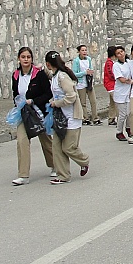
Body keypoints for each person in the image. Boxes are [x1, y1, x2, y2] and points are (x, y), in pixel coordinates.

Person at [10, 46, 55, 186]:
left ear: (32, 59)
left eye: (28, 57)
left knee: (46, 140)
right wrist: (18, 104)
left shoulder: (39, 74)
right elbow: (15, 93)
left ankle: (55, 165)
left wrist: (34, 101)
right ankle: (23, 175)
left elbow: (48, 93)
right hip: (24, 113)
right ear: (19, 58)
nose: (26, 60)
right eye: (23, 57)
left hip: (39, 112)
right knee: (22, 141)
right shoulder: (15, 75)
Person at [45, 51, 90, 184]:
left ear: (48, 64)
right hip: (60, 118)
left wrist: (56, 103)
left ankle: (84, 160)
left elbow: (71, 96)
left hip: (72, 117)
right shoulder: (55, 75)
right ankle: (63, 175)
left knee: (69, 147)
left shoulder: (63, 77)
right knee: (57, 147)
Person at [111, 46, 133, 141]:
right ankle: (119, 131)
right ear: (116, 56)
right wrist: (130, 81)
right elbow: (120, 79)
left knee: (130, 113)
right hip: (120, 93)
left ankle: (128, 128)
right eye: (118, 53)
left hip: (129, 92)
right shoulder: (116, 65)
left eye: (122, 52)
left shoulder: (129, 63)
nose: (121, 54)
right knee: (122, 114)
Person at [72, 45, 99, 125]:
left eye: (85, 50)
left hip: (89, 82)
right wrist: (84, 73)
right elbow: (74, 74)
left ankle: (95, 117)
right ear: (79, 52)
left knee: (93, 101)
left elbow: (90, 68)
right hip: (81, 83)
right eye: (82, 50)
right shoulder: (76, 61)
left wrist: (90, 72)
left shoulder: (89, 59)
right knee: (83, 102)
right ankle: (85, 118)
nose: (84, 52)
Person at [102, 46, 118, 125]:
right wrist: (118, 78)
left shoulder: (111, 62)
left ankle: (111, 118)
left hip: (112, 85)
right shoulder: (109, 63)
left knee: (112, 103)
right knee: (117, 102)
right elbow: (111, 74)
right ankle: (118, 118)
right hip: (111, 85)